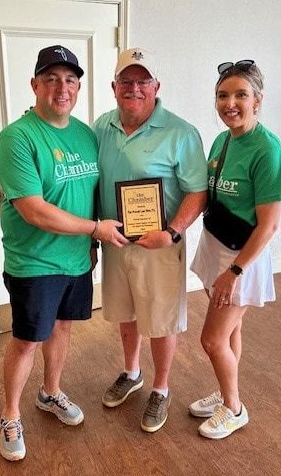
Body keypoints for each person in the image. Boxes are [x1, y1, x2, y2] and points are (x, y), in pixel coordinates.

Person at [0, 45, 128, 461]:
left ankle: (50, 393)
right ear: (35, 85)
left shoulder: (85, 135)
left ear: (79, 87)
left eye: (70, 80)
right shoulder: (17, 137)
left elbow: (89, 194)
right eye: (51, 79)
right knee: (27, 340)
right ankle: (10, 414)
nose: (61, 88)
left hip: (75, 260)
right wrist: (96, 230)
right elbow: (33, 210)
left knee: (63, 329)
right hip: (34, 262)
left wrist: (89, 243)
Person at [93, 48, 207, 433]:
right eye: (127, 81)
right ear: (114, 87)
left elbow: (197, 192)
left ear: (157, 86)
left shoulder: (181, 132)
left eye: (143, 81)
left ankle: (160, 387)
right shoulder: (101, 127)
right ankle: (132, 372)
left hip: (159, 245)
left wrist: (172, 231)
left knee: (159, 320)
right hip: (115, 242)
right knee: (125, 313)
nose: (135, 88)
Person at [188, 60, 281, 439]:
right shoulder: (224, 139)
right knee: (231, 330)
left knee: (212, 339)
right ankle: (225, 391)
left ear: (258, 100)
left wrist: (234, 273)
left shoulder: (267, 151)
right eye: (222, 95)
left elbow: (270, 225)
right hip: (216, 245)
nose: (230, 103)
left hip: (239, 258)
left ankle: (234, 408)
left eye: (240, 95)